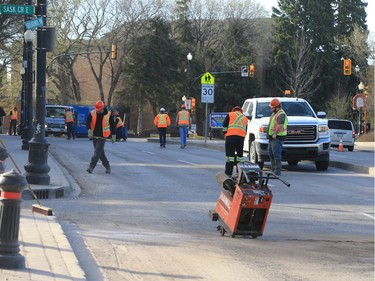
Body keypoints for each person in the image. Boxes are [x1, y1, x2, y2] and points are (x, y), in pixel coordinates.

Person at [86, 100, 116, 174]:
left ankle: (91, 167)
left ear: (103, 108)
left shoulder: (109, 115)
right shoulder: (92, 113)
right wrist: (89, 130)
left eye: (99, 110)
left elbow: (113, 125)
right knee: (100, 153)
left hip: (103, 136)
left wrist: (114, 135)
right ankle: (107, 166)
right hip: (94, 136)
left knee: (96, 153)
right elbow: (87, 121)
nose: (98, 111)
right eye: (97, 110)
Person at [222, 106, 248, 176]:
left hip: (230, 137)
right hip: (240, 138)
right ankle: (239, 174)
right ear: (241, 111)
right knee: (240, 156)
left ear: (234, 110)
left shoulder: (230, 114)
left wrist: (225, 134)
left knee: (230, 156)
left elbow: (224, 126)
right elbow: (246, 130)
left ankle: (228, 173)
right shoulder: (245, 118)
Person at [267, 98, 288, 176]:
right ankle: (273, 170)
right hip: (272, 137)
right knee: (271, 153)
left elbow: (280, 125)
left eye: (272, 107)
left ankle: (277, 171)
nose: (270, 108)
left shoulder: (281, 114)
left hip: (278, 137)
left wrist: (275, 133)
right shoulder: (275, 113)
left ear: (276, 107)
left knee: (276, 154)